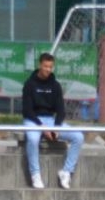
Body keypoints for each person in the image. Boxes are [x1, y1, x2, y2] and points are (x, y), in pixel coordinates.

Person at [22, 52, 85, 190]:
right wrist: (42, 127)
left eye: (50, 67)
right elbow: (27, 111)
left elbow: (61, 111)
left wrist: (55, 128)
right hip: (33, 120)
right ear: (40, 65)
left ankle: (66, 172)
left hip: (50, 120)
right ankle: (35, 174)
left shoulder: (56, 85)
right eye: (45, 66)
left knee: (78, 136)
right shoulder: (29, 84)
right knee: (33, 139)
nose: (48, 70)